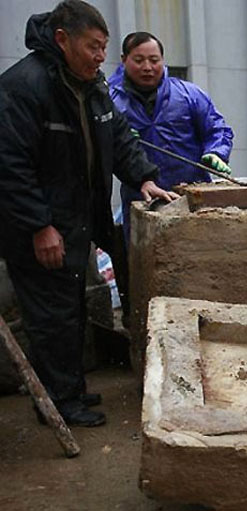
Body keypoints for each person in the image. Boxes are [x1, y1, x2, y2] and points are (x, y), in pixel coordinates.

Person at [0, 0, 177, 426]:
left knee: (71, 309)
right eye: (92, 47)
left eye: (103, 48)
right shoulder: (24, 87)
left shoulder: (91, 85)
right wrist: (40, 225)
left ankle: (69, 391)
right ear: (62, 40)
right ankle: (60, 404)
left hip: (76, 221)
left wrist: (145, 177)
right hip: (39, 227)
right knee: (51, 316)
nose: (100, 57)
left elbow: (118, 136)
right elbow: (10, 166)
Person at [109, 31, 234, 246]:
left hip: (192, 196)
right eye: (139, 60)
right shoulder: (110, 101)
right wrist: (117, 139)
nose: (147, 67)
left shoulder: (188, 94)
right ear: (124, 60)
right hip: (142, 200)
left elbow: (217, 129)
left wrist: (216, 152)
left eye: (154, 60)